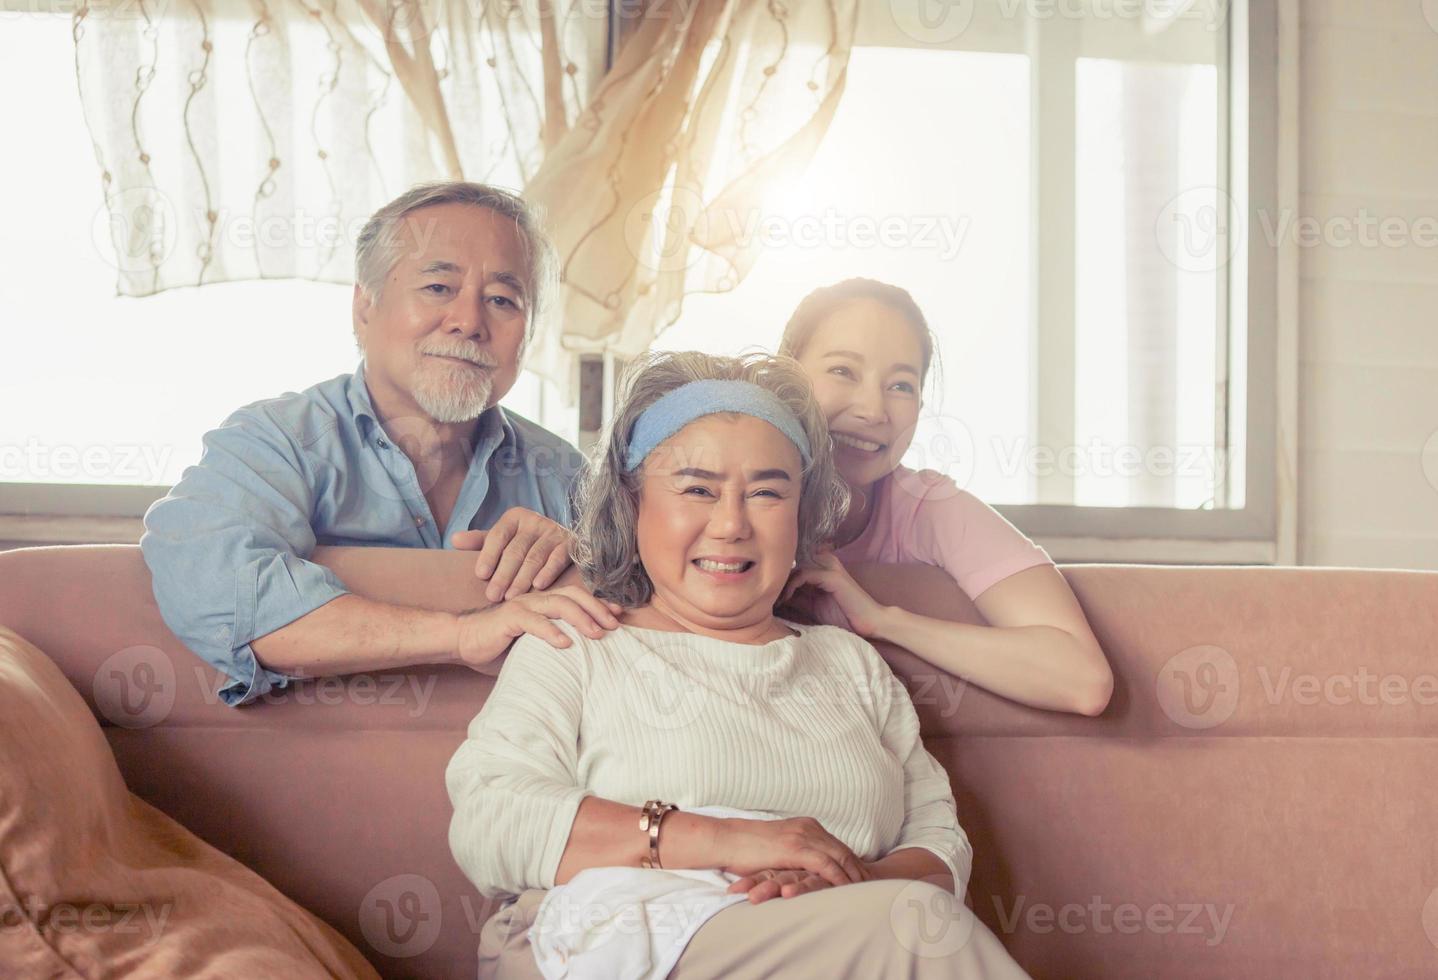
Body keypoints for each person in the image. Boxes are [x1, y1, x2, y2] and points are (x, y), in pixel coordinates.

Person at [446, 351, 1031, 978]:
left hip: (843, 944)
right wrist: (734, 841)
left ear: (802, 513)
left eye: (766, 492)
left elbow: (940, 846)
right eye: (697, 488)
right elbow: (491, 821)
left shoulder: (849, 664)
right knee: (916, 931)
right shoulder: (579, 643)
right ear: (632, 499)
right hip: (609, 945)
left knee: (915, 920)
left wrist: (843, 885)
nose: (730, 524)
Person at [140, 181, 621, 706]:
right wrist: (464, 635)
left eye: (503, 300)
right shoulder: (275, 444)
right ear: (364, 309)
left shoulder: (566, 475)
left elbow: (664, 623)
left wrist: (582, 560)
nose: (469, 322)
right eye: (439, 287)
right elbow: (228, 596)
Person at [778, 278, 1114, 716]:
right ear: (785, 375)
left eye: (900, 385)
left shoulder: (926, 505)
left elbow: (1082, 679)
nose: (873, 411)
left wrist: (883, 620)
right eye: (843, 371)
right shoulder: (729, 490)